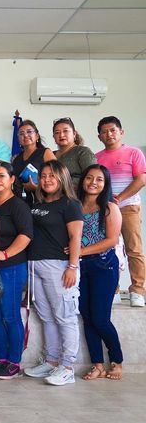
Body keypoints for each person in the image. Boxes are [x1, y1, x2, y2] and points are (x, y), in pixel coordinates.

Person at [24, 160, 83, 386]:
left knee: (65, 317)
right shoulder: (37, 202)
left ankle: (67, 367)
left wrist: (72, 267)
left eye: (52, 175)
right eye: (44, 175)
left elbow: (75, 237)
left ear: (62, 178)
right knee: (47, 317)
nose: (47, 179)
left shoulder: (70, 204)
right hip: (34, 265)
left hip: (58, 266)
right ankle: (51, 361)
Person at [0, 162, 33, 380]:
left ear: (12, 179)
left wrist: (5, 254)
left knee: (10, 315)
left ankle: (14, 361)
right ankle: (2, 359)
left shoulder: (18, 206)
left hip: (11, 267)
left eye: (1, 176)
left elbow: (26, 235)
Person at [76, 165, 123, 380]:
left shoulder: (109, 208)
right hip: (80, 266)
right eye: (89, 178)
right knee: (87, 317)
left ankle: (117, 360)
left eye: (99, 179)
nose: (93, 182)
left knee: (100, 318)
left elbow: (111, 240)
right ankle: (97, 365)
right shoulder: (75, 205)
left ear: (105, 184)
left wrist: (80, 251)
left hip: (104, 265)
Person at [95, 116, 146, 307]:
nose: (109, 134)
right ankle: (113, 289)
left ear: (121, 132)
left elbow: (141, 180)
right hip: (106, 210)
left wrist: (120, 198)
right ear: (99, 136)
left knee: (134, 249)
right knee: (109, 250)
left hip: (128, 207)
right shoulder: (97, 158)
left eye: (113, 130)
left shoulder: (134, 153)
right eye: (104, 132)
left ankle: (137, 290)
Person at [11, 119, 56, 206]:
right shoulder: (16, 159)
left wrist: (36, 188)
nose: (25, 135)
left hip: (43, 201)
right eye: (21, 133)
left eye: (29, 132)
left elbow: (58, 177)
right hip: (20, 203)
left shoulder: (45, 153)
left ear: (37, 136)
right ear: (18, 139)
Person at [52, 117, 95, 189]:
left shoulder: (83, 152)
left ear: (74, 134)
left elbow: (92, 177)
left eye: (65, 131)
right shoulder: (51, 154)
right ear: (54, 137)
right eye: (57, 132)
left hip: (76, 195)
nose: (61, 135)